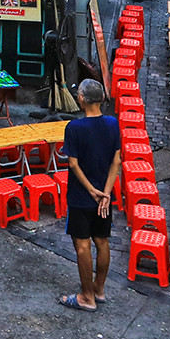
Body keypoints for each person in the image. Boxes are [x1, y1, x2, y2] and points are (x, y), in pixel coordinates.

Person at [59, 79, 121, 312]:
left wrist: (90, 190)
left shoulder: (74, 128)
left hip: (81, 196)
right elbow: (116, 161)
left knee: (82, 245)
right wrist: (106, 192)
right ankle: (99, 289)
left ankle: (86, 297)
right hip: (104, 196)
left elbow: (73, 165)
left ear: (82, 99)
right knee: (102, 241)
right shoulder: (113, 124)